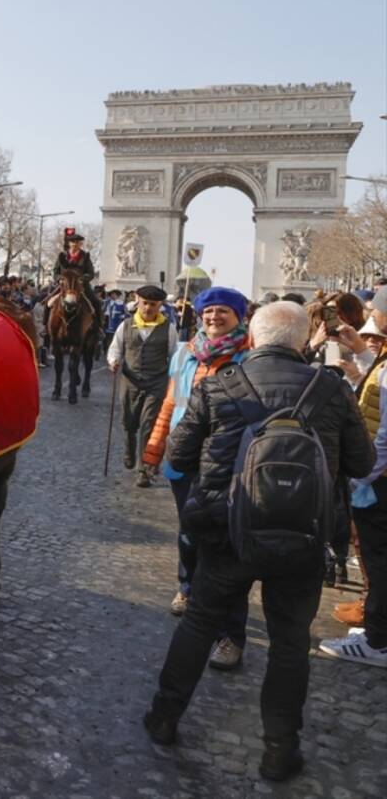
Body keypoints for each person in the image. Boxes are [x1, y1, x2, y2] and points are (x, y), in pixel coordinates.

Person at [143, 301, 374, 781]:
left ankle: (164, 717)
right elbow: (360, 461)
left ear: (253, 338)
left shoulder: (220, 384)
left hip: (226, 531)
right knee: (290, 644)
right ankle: (278, 750)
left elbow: (180, 454)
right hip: (304, 535)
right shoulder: (331, 389)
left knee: (201, 623)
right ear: (298, 341)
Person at [143, 287, 252, 667]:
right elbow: (171, 401)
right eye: (208, 311)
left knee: (224, 546)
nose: (214, 317)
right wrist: (154, 447)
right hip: (183, 454)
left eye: (223, 311)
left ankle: (229, 631)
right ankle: (187, 586)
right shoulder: (185, 352)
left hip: (228, 461)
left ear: (239, 316)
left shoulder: (249, 356)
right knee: (188, 531)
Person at [320, 286, 387, 667]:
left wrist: (364, 475)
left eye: (376, 310)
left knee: (379, 560)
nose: (371, 314)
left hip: (380, 478)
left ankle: (378, 641)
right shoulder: (381, 357)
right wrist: (360, 352)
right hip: (378, 473)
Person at [108, 285, 177, 488]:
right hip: (130, 381)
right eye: (145, 303)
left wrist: (174, 380)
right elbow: (115, 349)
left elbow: (174, 356)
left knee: (148, 425)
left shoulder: (169, 328)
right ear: (138, 302)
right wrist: (113, 361)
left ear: (160, 306)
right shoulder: (126, 325)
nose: (148, 308)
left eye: (153, 305)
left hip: (156, 382)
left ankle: (143, 469)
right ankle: (129, 448)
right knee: (129, 422)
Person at [49, 230, 103, 338]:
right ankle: (47, 328)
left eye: (77, 243)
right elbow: (55, 271)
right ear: (69, 243)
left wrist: (82, 279)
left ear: (80, 244)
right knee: (47, 303)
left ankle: (99, 328)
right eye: (73, 242)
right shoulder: (62, 256)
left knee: (96, 303)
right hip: (64, 286)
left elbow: (91, 273)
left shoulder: (85, 256)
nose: (75, 245)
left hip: (81, 287)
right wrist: (59, 278)